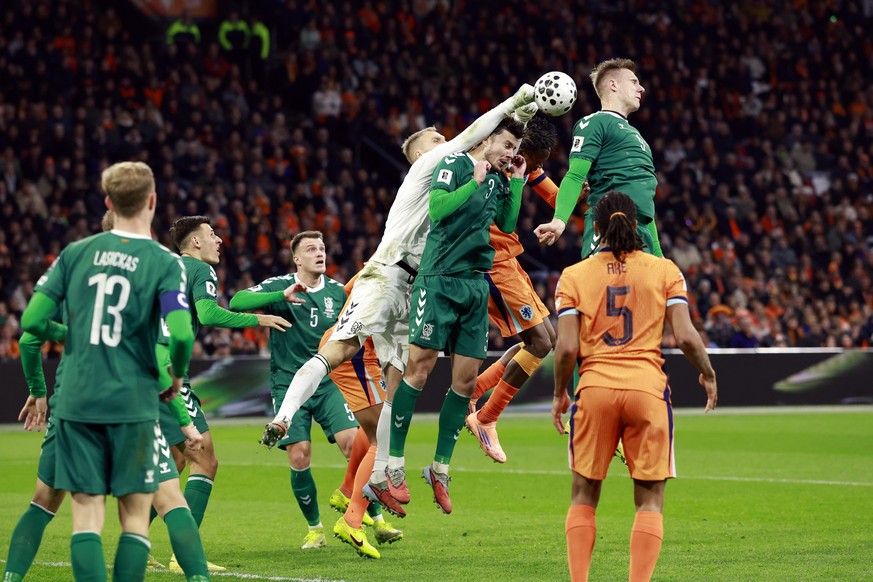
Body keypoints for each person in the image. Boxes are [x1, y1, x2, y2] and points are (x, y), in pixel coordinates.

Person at [259, 84, 536, 517]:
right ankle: (285, 415)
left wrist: (513, 156)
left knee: (400, 382)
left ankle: (382, 475)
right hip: (386, 274)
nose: (449, 141)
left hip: (416, 286)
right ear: (421, 153)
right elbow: (475, 135)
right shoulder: (428, 166)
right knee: (341, 349)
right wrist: (514, 103)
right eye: (438, 139)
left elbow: (493, 202)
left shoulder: (464, 176)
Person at [4, 210, 212, 582]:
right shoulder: (153, 272)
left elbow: (29, 337)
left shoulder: (75, 270)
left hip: (75, 406)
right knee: (162, 503)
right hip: (133, 407)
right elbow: (166, 351)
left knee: (53, 504)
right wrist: (183, 418)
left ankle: (11, 577)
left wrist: (39, 391)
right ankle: (197, 577)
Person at [551, 191, 717, 582]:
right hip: (647, 391)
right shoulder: (665, 271)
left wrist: (560, 393)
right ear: (637, 225)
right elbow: (686, 337)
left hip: (595, 390)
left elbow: (567, 347)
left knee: (583, 495)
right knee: (649, 501)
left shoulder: (574, 275)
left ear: (596, 228)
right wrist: (707, 373)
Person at [383, 118, 527, 515]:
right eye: (507, 145)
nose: (511, 153)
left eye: (515, 149)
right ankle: (394, 464)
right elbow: (438, 208)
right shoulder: (454, 164)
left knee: (464, 382)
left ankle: (439, 469)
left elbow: (507, 224)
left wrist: (516, 182)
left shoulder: (498, 178)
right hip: (439, 281)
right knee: (419, 370)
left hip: (475, 285)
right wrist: (474, 181)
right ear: (488, 138)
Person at [155, 215, 292, 570]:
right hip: (167, 372)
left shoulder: (163, 268)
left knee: (177, 461)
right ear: (195, 242)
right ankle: (184, 556)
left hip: (141, 367)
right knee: (205, 460)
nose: (219, 240)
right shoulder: (200, 270)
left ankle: (134, 539)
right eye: (212, 234)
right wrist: (259, 319)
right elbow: (208, 313)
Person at [229, 231, 359, 550]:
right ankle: (315, 530)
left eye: (322, 248)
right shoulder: (280, 284)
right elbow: (236, 301)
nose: (320, 253)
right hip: (288, 382)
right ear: (297, 259)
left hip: (328, 382)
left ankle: (371, 518)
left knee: (353, 444)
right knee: (299, 454)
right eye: (311, 249)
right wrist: (278, 297)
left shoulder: (338, 292)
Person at [465, 113, 562, 463]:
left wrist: (577, 195)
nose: (536, 168)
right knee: (540, 342)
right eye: (536, 161)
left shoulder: (522, 166)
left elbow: (558, 198)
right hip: (493, 264)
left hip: (510, 260)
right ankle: (486, 417)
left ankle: (473, 392)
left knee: (544, 339)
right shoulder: (490, 166)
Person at [535, 58, 663, 259]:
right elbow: (576, 175)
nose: (641, 88)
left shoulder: (638, 137)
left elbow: (645, 205)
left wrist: (658, 253)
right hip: (608, 224)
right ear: (613, 85)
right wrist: (559, 220)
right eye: (634, 82)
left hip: (641, 232)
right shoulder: (594, 123)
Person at [322, 273, 403, 559]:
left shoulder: (387, 260)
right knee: (383, 438)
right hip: (355, 351)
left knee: (375, 431)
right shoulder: (407, 261)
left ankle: (347, 491)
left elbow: (349, 288)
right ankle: (352, 521)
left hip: (357, 346)